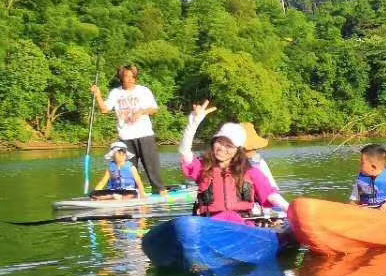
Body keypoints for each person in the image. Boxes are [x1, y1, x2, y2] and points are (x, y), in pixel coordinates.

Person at [179, 103, 285, 222]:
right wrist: (193, 123)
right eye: (219, 142)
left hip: (241, 224)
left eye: (229, 146)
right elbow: (185, 153)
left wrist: (289, 208)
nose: (222, 149)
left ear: (237, 150)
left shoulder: (251, 172)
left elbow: (270, 195)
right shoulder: (202, 167)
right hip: (210, 225)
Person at [91, 64, 168, 192]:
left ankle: (160, 190)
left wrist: (141, 112)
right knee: (128, 169)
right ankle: (133, 193)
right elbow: (105, 109)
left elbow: (154, 109)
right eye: (127, 76)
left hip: (145, 135)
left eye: (133, 76)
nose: (130, 79)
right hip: (125, 137)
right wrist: (98, 94)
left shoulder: (144, 90)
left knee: (152, 167)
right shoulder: (115, 93)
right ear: (121, 77)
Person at [240, 123, 290, 212]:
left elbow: (271, 190)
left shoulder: (257, 163)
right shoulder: (256, 164)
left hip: (260, 203)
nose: (253, 152)